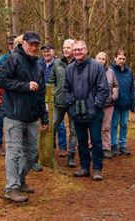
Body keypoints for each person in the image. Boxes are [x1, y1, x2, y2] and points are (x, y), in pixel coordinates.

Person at [0, 31, 48, 203]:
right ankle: (11, 188)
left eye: (36, 45)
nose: (34, 47)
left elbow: (41, 93)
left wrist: (44, 117)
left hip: (32, 116)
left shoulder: (39, 64)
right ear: (23, 43)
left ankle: (19, 180)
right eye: (31, 44)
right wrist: (25, 86)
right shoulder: (13, 59)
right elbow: (1, 81)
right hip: (14, 114)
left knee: (32, 152)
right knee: (14, 151)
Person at [64, 40, 109, 180]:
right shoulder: (69, 68)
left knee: (96, 141)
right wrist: (71, 104)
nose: (77, 52)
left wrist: (96, 104)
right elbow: (66, 89)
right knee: (82, 141)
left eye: (80, 50)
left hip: (94, 112)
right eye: (75, 50)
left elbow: (103, 88)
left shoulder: (97, 66)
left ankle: (97, 169)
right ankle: (84, 167)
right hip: (76, 112)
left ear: (86, 50)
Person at [48, 39, 78, 168]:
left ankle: (71, 157)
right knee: (52, 127)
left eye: (69, 47)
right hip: (58, 103)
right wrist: (54, 94)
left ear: (74, 49)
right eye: (64, 47)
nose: (66, 50)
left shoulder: (79, 63)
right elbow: (51, 81)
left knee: (74, 131)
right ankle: (49, 154)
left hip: (75, 103)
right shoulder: (57, 63)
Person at [110, 49, 135, 156]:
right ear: (115, 58)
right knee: (114, 124)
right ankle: (113, 145)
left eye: (123, 58)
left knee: (124, 124)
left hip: (126, 103)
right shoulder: (111, 70)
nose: (121, 60)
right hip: (115, 103)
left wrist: (132, 104)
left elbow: (132, 89)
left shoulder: (128, 72)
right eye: (119, 58)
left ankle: (123, 145)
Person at [95, 52, 119, 159]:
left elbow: (116, 85)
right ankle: (92, 148)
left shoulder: (110, 72)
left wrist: (114, 95)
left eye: (103, 59)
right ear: (95, 59)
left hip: (108, 104)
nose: (101, 61)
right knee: (93, 127)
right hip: (95, 104)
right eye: (99, 59)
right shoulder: (91, 70)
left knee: (106, 127)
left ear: (106, 61)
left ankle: (106, 148)